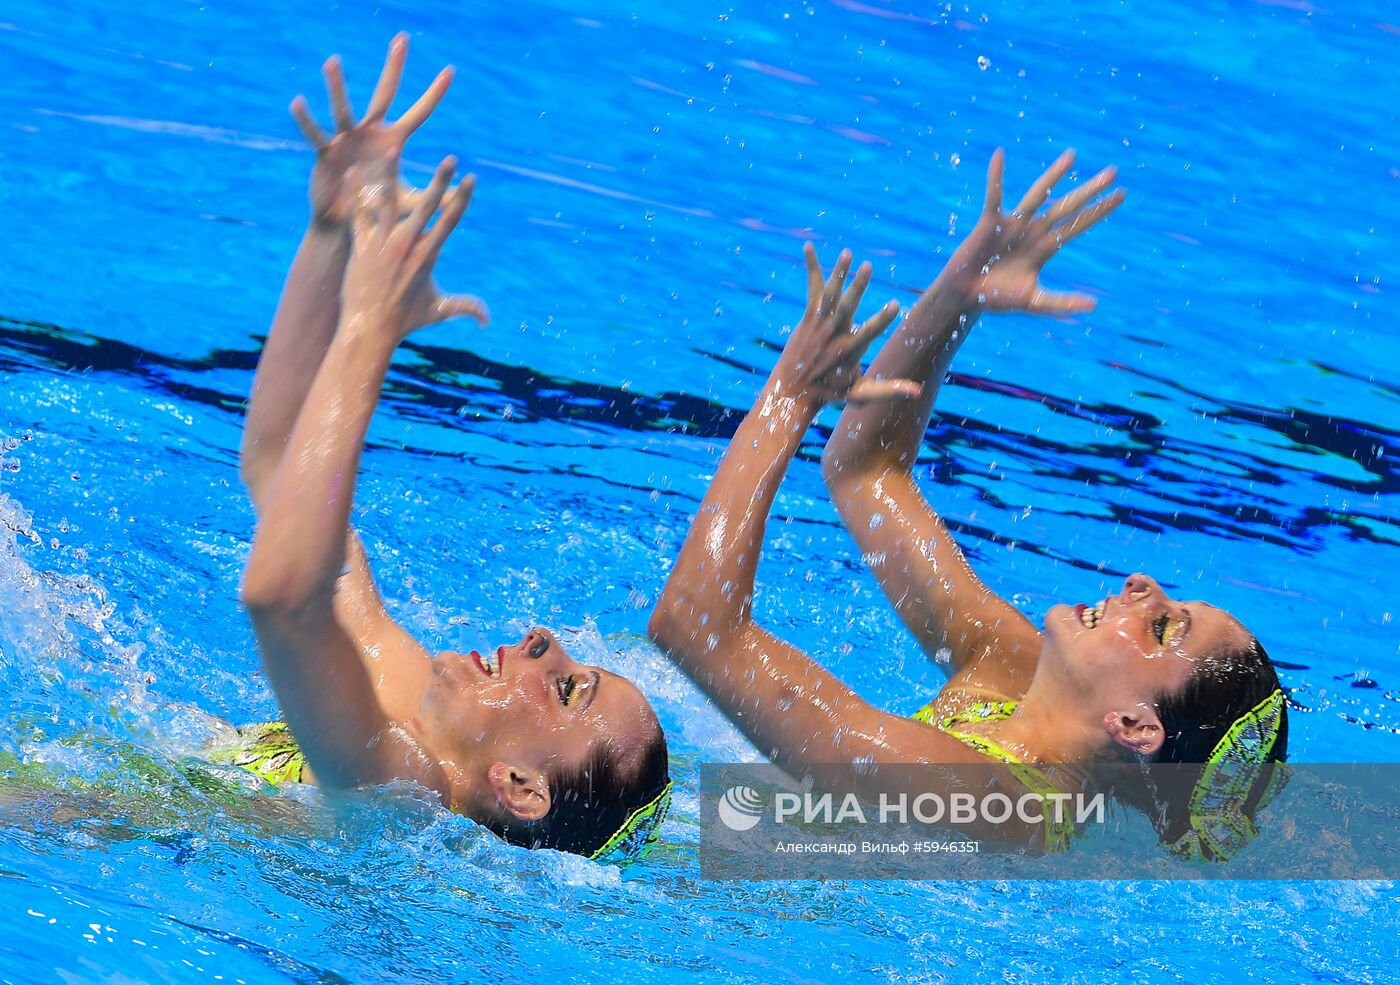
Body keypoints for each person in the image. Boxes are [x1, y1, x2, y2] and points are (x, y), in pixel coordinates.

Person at [649, 150, 1287, 860]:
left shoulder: (986, 807)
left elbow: (696, 628)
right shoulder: (1015, 677)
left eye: (1166, 627)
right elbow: (867, 471)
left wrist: (789, 397)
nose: (1143, 585)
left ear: (1136, 724)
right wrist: (959, 296)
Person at [235, 36, 670, 864]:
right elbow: (278, 461)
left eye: (570, 686)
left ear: (518, 786)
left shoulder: (402, 798)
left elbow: (280, 601)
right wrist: (335, 230)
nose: (544, 638)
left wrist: (368, 327)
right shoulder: (399, 688)